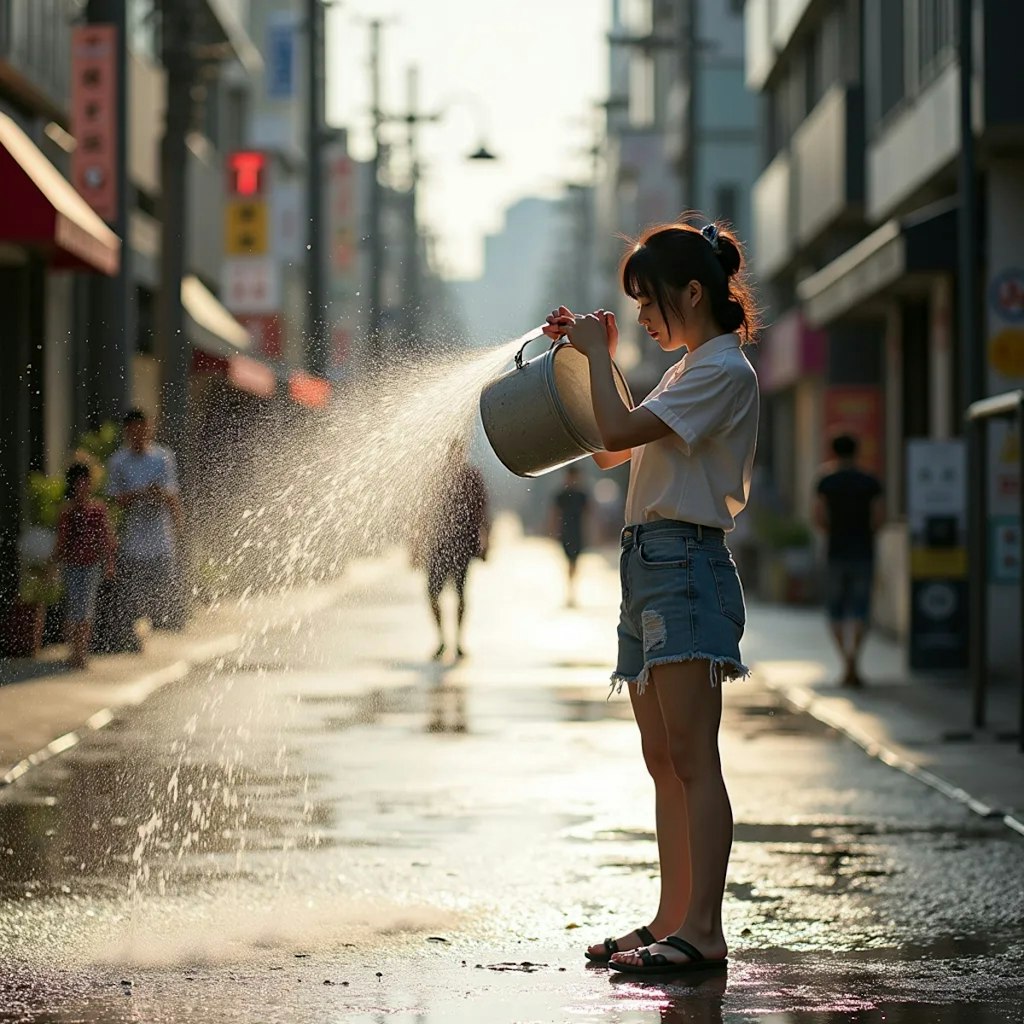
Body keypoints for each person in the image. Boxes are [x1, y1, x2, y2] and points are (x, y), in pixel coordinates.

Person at [542, 218, 760, 976]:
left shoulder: (722, 370)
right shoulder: (688, 367)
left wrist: (599, 358)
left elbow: (615, 427)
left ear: (691, 293)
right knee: (663, 756)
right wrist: (580, 360)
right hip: (649, 565)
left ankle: (702, 930)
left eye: (647, 302)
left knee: (694, 756)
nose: (639, 319)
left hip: (684, 565)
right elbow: (610, 444)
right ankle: (672, 919)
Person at [106, 408, 182, 642]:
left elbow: (173, 495)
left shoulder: (163, 457)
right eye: (133, 430)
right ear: (127, 431)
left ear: (149, 428)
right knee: (131, 593)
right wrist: (139, 494)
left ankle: (152, 628)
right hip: (132, 540)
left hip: (160, 538)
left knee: (160, 592)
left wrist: (179, 529)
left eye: (143, 428)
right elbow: (113, 500)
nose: (139, 434)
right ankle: (132, 636)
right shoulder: (118, 461)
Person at [814, 434, 883, 688]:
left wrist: (834, 530)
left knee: (835, 609)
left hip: (836, 551)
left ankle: (846, 663)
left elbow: (819, 517)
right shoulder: (870, 481)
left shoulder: (826, 481)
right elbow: (878, 518)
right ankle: (855, 661)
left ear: (833, 451)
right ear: (857, 452)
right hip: (864, 550)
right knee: (861, 608)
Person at [419, 441, 490, 662]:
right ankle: (442, 639)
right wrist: (417, 542)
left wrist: (487, 540)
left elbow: (483, 511)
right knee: (432, 593)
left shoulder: (472, 477)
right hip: (439, 543)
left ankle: (458, 641)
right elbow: (424, 510)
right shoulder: (437, 477)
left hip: (463, 542)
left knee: (460, 593)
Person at [54, 462, 116, 669]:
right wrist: (53, 565)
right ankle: (74, 651)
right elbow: (61, 542)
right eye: (78, 483)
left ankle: (81, 652)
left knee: (86, 609)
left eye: (85, 483)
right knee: (74, 608)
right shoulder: (67, 512)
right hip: (72, 565)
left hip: (91, 565)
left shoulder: (98, 509)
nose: (82, 487)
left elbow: (105, 539)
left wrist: (108, 563)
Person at [549, 465, 590, 606]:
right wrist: (554, 532)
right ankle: (569, 589)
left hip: (578, 532)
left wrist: (593, 533)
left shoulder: (582, 495)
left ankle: (573, 590)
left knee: (576, 561)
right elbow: (555, 515)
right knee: (568, 561)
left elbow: (588, 515)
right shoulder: (562, 495)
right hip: (566, 532)